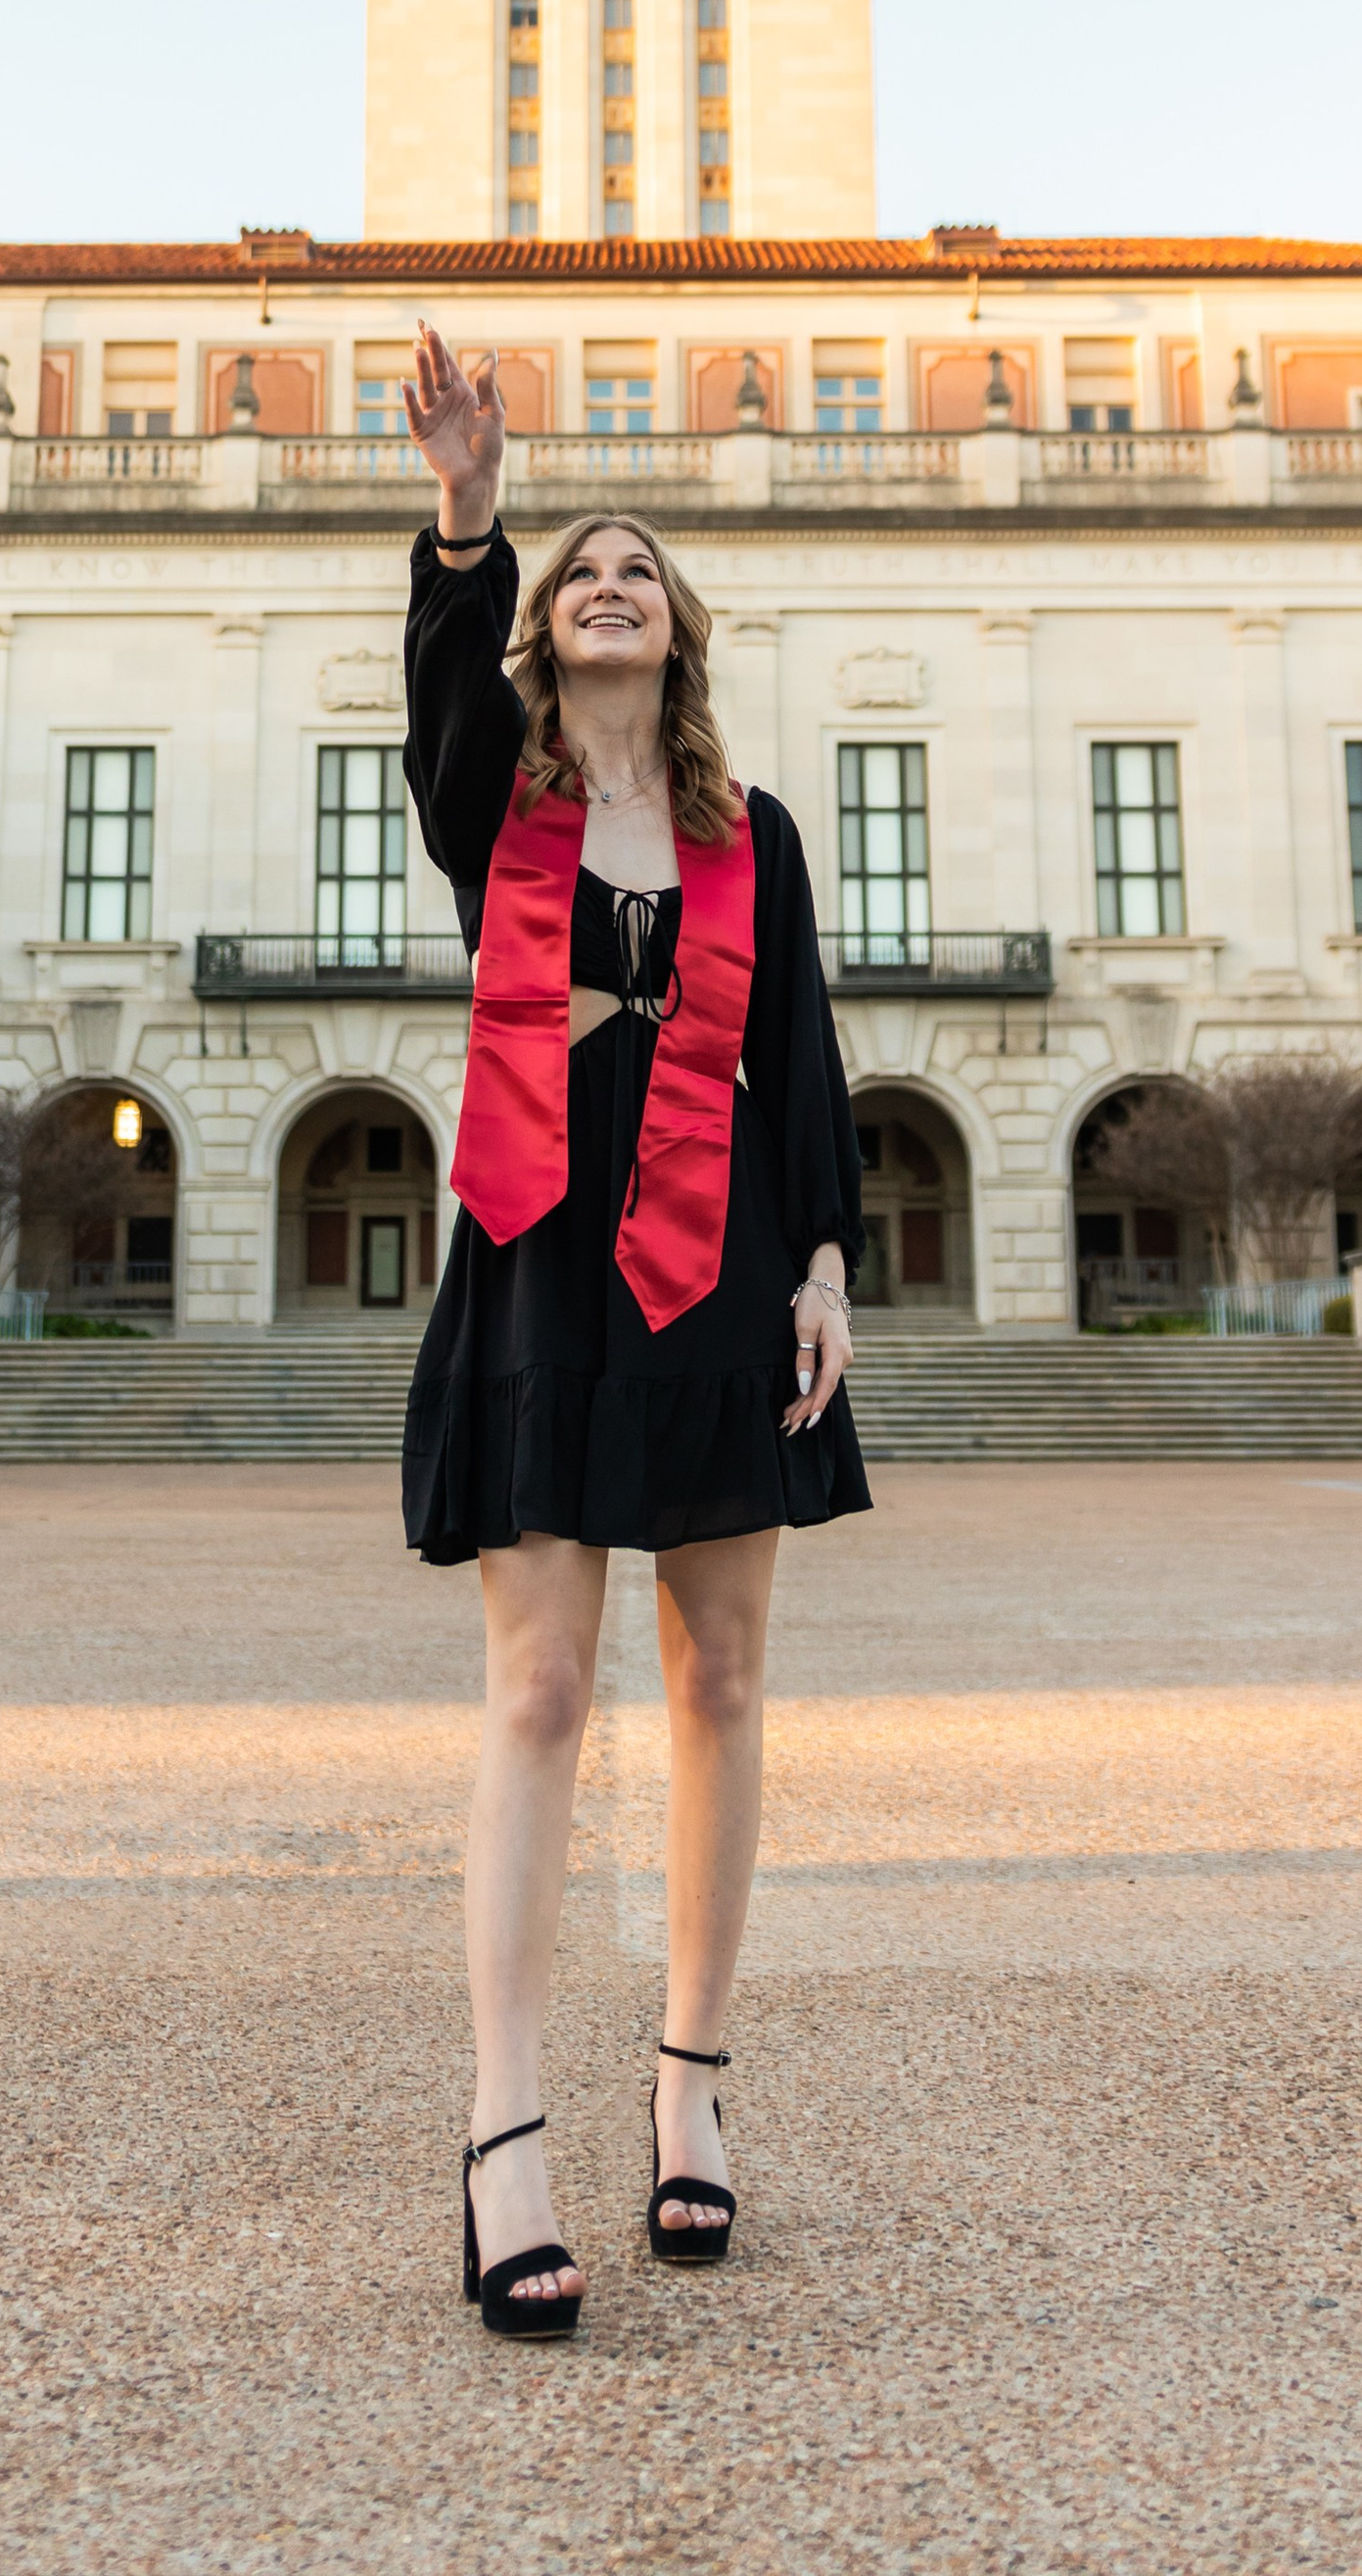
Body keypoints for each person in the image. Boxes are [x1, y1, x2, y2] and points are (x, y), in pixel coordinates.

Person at [399, 320, 870, 2339]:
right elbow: (435, 679)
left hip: (717, 1238)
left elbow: (806, 1051)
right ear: (546, 627)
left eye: (635, 568)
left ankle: (686, 2088)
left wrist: (830, 1260)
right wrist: (467, 509)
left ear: (678, 626)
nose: (606, 585)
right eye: (576, 571)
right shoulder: (482, 803)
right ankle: (504, 2126)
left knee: (722, 1679)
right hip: (535, 1233)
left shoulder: (746, 834)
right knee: (534, 1690)